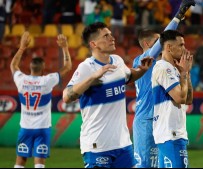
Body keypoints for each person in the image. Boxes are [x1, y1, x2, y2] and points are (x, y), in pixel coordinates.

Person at [62, 22, 153, 168]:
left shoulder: (117, 60)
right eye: (106, 36)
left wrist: (142, 70)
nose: (112, 38)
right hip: (97, 145)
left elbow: (129, 76)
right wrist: (92, 78)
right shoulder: (87, 67)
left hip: (123, 144)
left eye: (111, 34)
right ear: (94, 44)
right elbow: (66, 96)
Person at [132, 0, 195, 168]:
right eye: (157, 43)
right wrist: (178, 16)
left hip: (159, 120)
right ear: (146, 45)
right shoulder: (142, 61)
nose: (160, 46)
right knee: (145, 165)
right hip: (145, 118)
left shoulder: (164, 65)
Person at [10, 32, 72, 168]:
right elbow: (67, 67)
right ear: (43, 68)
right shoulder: (47, 81)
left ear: (30, 68)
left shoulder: (21, 80)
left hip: (25, 127)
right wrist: (65, 47)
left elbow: (13, 66)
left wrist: (21, 48)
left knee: (20, 161)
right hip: (42, 128)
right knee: (39, 164)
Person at [151, 30, 194, 168]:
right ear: (169, 47)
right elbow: (180, 98)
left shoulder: (174, 69)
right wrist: (184, 74)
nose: (184, 49)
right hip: (171, 133)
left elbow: (188, 100)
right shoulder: (164, 68)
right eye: (181, 45)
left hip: (170, 133)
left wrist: (185, 73)